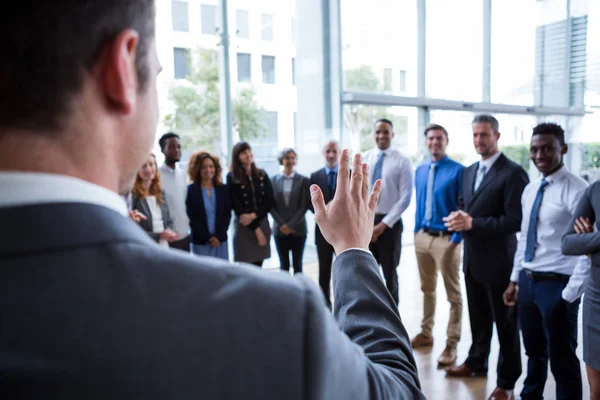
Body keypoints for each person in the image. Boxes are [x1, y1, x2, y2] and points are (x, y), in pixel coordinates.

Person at [0, 1, 425, 398]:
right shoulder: (272, 319)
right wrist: (352, 250)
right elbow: (398, 387)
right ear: (123, 70)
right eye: (161, 74)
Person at [444, 114, 528, 400]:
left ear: (497, 136)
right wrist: (458, 216)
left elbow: (515, 220)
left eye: (484, 135)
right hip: (473, 261)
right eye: (475, 135)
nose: (479, 140)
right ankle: (476, 363)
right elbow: (465, 204)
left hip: (501, 263)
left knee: (506, 326)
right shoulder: (468, 171)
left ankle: (506, 383)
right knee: (478, 319)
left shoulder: (514, 173)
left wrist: (473, 223)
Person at [502, 123, 588, 400]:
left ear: (562, 149)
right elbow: (525, 238)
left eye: (547, 148)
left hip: (559, 285)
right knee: (534, 353)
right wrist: (515, 279)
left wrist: (570, 294)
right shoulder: (531, 189)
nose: (540, 154)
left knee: (562, 359)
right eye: (535, 149)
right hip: (528, 282)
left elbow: (587, 246)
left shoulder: (578, 190)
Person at [411, 124, 464, 366]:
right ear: (426, 142)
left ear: (447, 140)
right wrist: (416, 232)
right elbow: (420, 203)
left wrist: (456, 240)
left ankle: (451, 344)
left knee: (453, 294)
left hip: (447, 241)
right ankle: (426, 332)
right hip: (422, 237)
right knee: (427, 288)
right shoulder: (420, 170)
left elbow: (464, 207)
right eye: (430, 138)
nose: (434, 142)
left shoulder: (458, 171)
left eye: (439, 138)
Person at [363, 119, 412, 305]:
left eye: (385, 132)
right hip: (367, 221)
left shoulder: (402, 160)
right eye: (378, 132)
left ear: (392, 134)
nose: (381, 136)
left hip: (390, 225)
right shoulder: (365, 158)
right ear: (373, 134)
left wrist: (382, 226)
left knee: (390, 274)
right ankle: (371, 317)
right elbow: (359, 193)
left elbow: (405, 198)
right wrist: (367, 224)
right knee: (368, 274)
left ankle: (392, 321)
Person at [562, 180, 600, 400]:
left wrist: (590, 244)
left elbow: (581, 243)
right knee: (596, 392)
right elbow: (568, 243)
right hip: (596, 303)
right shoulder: (595, 190)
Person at [227, 141, 274, 267]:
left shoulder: (262, 174)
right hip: (243, 227)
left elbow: (269, 201)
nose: (248, 155)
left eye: (249, 151)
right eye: (243, 153)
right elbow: (236, 205)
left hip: (262, 223)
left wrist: (254, 216)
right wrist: (255, 228)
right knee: (245, 268)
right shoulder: (232, 177)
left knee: (259, 266)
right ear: (237, 157)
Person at [309, 140, 341, 306]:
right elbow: (309, 203)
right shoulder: (315, 176)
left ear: (339, 153)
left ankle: (343, 305)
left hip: (342, 232)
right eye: (328, 151)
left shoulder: (347, 174)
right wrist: (323, 210)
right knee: (324, 270)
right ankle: (324, 307)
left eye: (334, 151)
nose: (331, 155)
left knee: (343, 271)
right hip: (322, 232)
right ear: (323, 153)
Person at [270, 148, 309, 274]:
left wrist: (290, 225)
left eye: (293, 158)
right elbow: (271, 206)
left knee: (298, 266)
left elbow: (304, 206)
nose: (290, 161)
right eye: (287, 158)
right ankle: (285, 293)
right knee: (284, 266)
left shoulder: (303, 180)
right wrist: (283, 225)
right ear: (282, 160)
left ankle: (299, 294)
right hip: (280, 230)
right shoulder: (273, 180)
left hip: (298, 230)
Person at [186, 150, 231, 260]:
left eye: (211, 166)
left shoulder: (223, 189)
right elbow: (191, 218)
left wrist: (218, 237)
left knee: (222, 275)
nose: (208, 170)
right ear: (197, 169)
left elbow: (227, 215)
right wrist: (208, 238)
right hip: (200, 242)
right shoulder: (191, 191)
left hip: (220, 242)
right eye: (203, 167)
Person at [131, 153, 179, 247]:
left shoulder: (161, 193)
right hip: (145, 246)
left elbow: (168, 221)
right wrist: (158, 236)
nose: (148, 169)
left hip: (164, 244)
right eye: (143, 166)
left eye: (151, 164)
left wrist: (170, 231)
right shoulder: (133, 196)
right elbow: (133, 230)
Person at [159, 132, 191, 251]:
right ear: (163, 150)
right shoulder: (157, 176)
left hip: (185, 234)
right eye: (171, 147)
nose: (176, 150)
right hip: (169, 237)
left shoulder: (182, 174)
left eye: (178, 147)